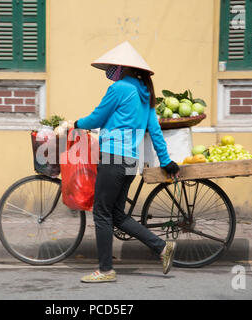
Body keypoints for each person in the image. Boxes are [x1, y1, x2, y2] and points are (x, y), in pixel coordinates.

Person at [73, 41, 180, 283]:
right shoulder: (145, 93)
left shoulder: (120, 88)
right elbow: (154, 130)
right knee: (118, 215)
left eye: (114, 66)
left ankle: (105, 270)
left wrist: (76, 124)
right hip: (131, 160)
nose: (111, 70)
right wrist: (166, 160)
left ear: (123, 68)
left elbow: (96, 117)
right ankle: (162, 247)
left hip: (113, 157)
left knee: (101, 213)